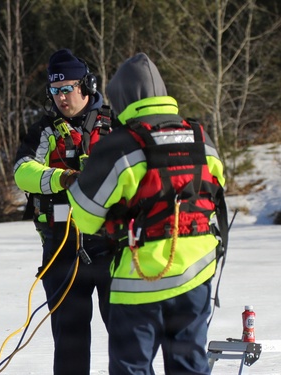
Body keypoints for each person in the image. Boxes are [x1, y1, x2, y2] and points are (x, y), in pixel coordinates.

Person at [65, 52, 228, 374]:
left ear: (122, 98)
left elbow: (85, 215)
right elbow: (217, 189)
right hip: (196, 273)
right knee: (190, 365)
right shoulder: (200, 136)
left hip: (140, 279)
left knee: (132, 367)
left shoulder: (120, 144)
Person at [13, 48, 114, 375]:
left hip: (112, 249)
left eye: (67, 89)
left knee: (127, 338)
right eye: (54, 91)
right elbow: (22, 171)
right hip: (61, 249)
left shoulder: (114, 125)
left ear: (87, 86)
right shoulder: (44, 129)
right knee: (70, 345)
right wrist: (62, 178)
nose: (60, 98)